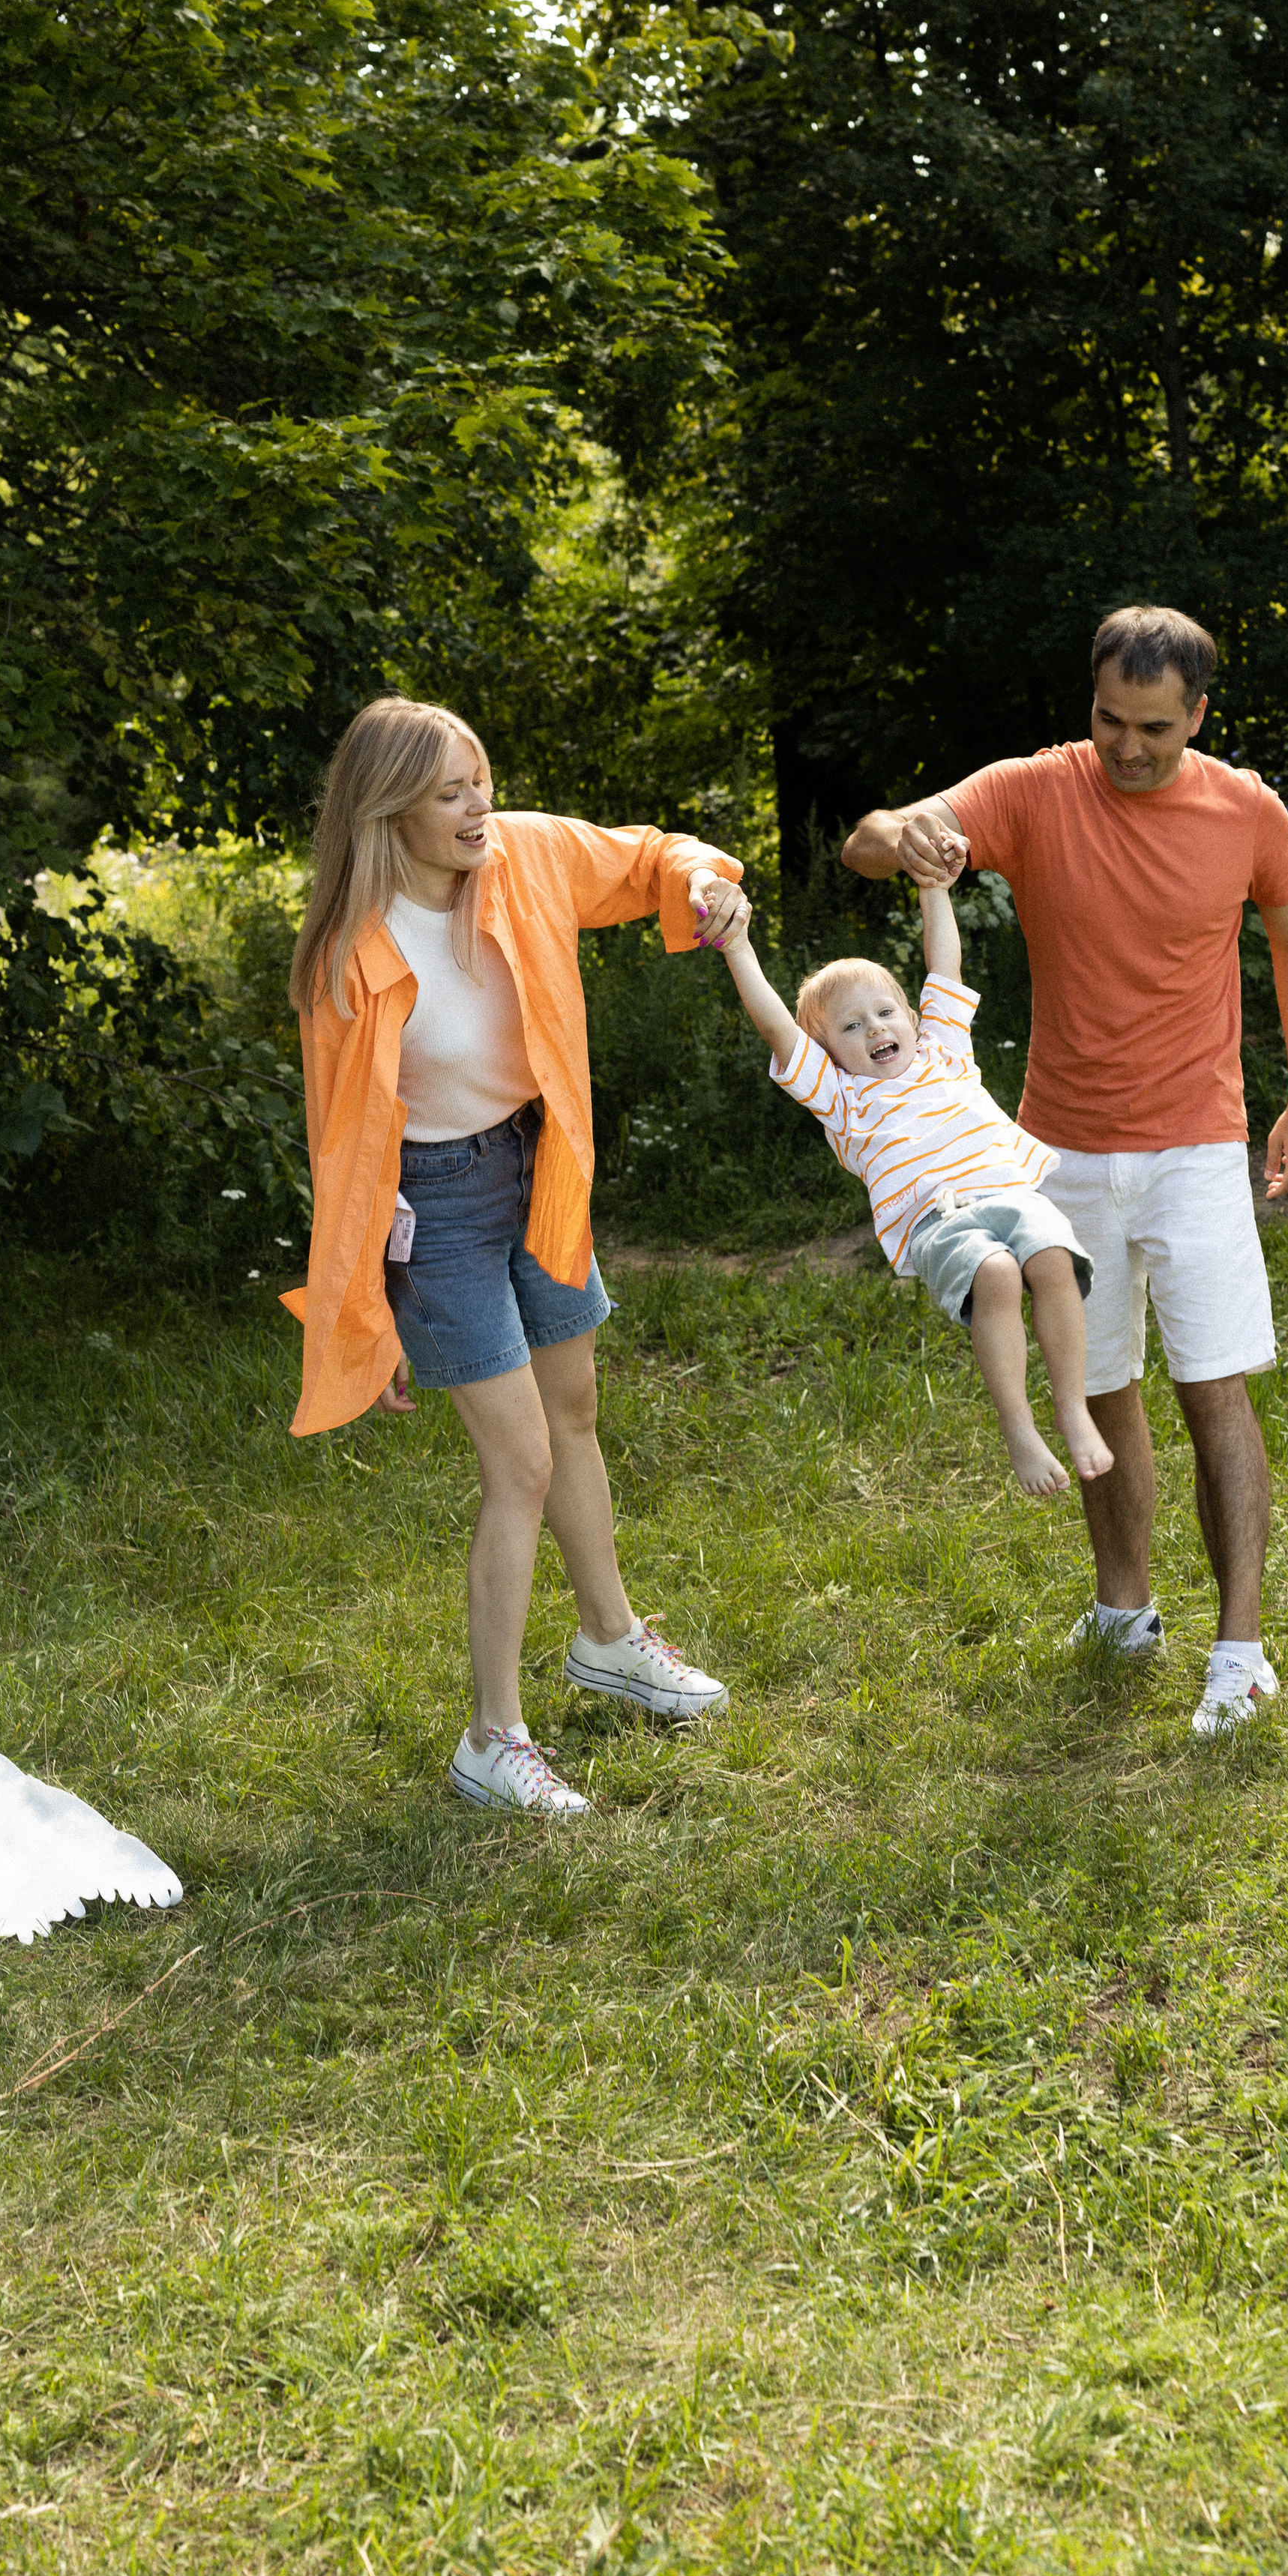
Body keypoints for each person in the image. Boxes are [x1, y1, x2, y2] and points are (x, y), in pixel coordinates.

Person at [842, 605, 1288, 1734]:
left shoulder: (1246, 809)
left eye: (1154, 727)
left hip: (1199, 1145)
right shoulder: (1036, 788)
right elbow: (875, 836)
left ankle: (1242, 1649)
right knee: (1100, 1386)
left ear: (1198, 714)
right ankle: (1125, 1608)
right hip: (1053, 1151)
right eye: (1110, 720)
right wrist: (901, 840)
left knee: (1214, 1389)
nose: (1127, 747)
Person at [283, 694, 743, 1816]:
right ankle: (492, 1737)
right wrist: (367, 1314)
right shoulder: (353, 952)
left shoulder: (527, 854)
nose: (479, 805)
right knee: (522, 1463)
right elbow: (345, 1154)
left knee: (575, 1411)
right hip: (432, 1210)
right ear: (388, 810)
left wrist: (700, 879)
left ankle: (610, 1639)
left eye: (481, 778)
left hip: (540, 1169)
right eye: (451, 792)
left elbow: (645, 859)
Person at [718, 868, 1112, 1497]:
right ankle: (1020, 1429)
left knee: (1052, 1255)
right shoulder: (842, 1098)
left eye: (884, 1012)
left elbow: (944, 966)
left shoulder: (944, 1052)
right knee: (998, 1275)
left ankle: (1072, 1408)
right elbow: (777, 1028)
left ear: (911, 1015)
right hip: (941, 1219)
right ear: (828, 1053)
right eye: (851, 1027)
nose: (875, 1029)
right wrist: (738, 947)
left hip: (1010, 1192)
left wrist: (934, 887)